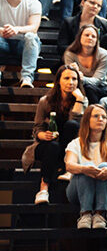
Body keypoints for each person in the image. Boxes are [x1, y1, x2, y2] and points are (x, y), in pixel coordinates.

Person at [28, 65, 86, 204]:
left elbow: (77, 124)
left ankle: (69, 168)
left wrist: (78, 100)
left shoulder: (82, 100)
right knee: (53, 146)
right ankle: (43, 189)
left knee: (71, 125)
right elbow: (37, 128)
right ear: (58, 81)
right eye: (66, 78)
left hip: (70, 149)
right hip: (48, 146)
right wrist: (43, 135)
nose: (70, 82)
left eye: (74, 79)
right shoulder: (45, 101)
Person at [65, 104, 107, 230]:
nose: (101, 119)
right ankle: (85, 214)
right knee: (86, 166)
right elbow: (69, 165)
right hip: (77, 191)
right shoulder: (75, 143)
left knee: (106, 166)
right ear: (87, 120)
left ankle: (100, 214)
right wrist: (84, 169)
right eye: (96, 116)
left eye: (104, 117)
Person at [0, 0, 42, 87]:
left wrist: (16, 29)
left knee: (31, 36)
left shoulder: (34, 3)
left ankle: (27, 78)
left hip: (24, 44)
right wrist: (2, 30)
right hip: (3, 42)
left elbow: (33, 27)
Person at [58, 0, 107, 68]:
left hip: (97, 62)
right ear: (83, 2)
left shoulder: (104, 24)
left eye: (99, 5)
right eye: (92, 3)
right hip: (74, 61)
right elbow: (61, 47)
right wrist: (83, 51)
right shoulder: (69, 22)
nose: (95, 6)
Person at [63, 24, 107, 104]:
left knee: (88, 88)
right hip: (77, 86)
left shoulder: (105, 55)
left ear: (97, 40)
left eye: (93, 36)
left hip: (99, 89)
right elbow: (70, 75)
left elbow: (97, 80)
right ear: (79, 37)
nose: (90, 38)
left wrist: (81, 78)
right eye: (87, 35)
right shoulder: (70, 54)